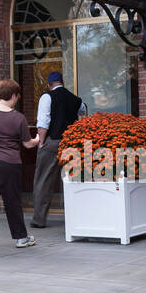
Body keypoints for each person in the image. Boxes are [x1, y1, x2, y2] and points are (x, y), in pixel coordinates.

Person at [0, 79, 40, 256]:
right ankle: (21, 238)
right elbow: (27, 144)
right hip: (9, 164)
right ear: (13, 95)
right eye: (17, 96)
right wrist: (37, 139)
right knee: (12, 201)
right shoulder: (18, 118)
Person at [31, 70, 85, 228]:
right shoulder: (76, 99)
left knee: (43, 181)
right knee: (72, 180)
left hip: (52, 142)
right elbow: (82, 111)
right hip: (71, 143)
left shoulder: (47, 97)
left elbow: (43, 122)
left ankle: (39, 220)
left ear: (49, 85)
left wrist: (41, 142)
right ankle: (76, 218)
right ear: (63, 83)